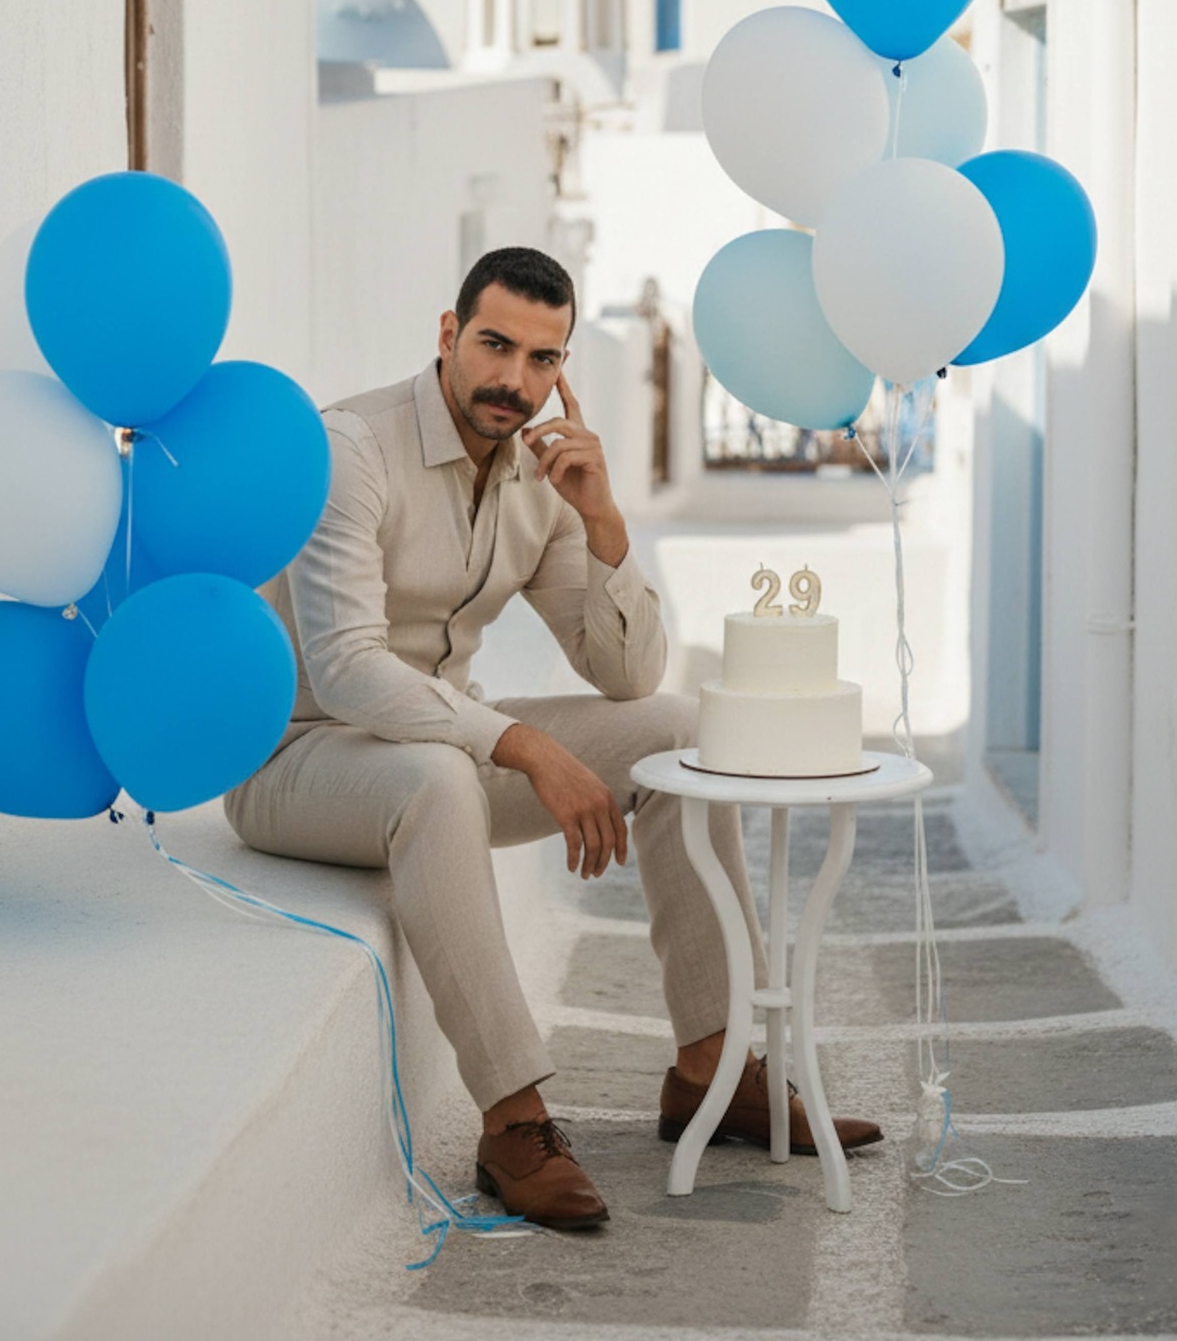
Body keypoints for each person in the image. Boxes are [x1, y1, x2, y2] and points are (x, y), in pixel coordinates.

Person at [225, 247, 881, 1230]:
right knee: (438, 785)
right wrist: (524, 745)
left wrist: (603, 516)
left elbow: (628, 676)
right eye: (494, 345)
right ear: (448, 335)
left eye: (541, 358)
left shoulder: (544, 466)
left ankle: (713, 1065)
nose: (513, 380)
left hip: (441, 748)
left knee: (676, 732)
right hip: (301, 757)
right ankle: (513, 1117)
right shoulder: (350, 448)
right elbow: (351, 666)